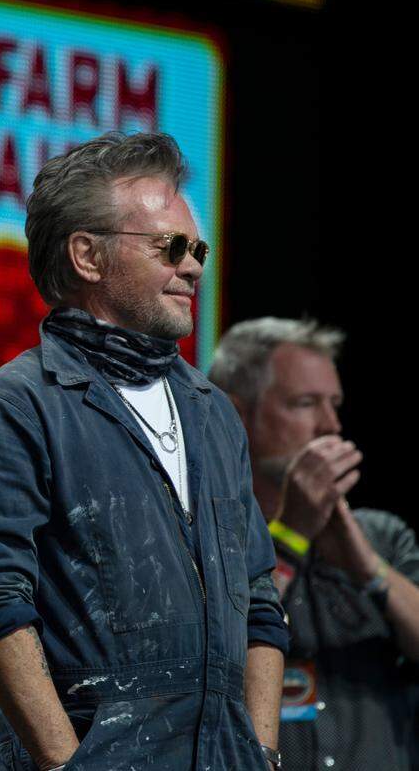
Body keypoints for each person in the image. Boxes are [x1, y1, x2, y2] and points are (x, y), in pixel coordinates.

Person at [0, 132, 288, 771]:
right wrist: (65, 764)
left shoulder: (213, 414)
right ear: (87, 256)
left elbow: (259, 602)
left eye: (198, 249)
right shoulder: (12, 409)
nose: (194, 267)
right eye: (171, 247)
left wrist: (259, 755)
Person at [209, 317, 419, 770]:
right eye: (305, 403)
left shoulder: (381, 537)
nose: (331, 425)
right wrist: (290, 536)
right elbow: (213, 660)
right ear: (236, 414)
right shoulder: (208, 542)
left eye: (334, 405)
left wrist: (369, 568)